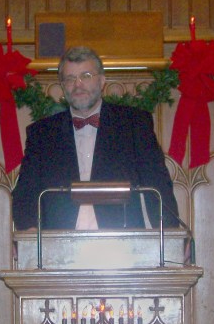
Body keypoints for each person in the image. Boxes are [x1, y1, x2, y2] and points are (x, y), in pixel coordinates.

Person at [12, 46, 179, 230]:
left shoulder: (134, 124)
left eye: (86, 76)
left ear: (102, 81)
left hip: (122, 245)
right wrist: (28, 236)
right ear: (62, 86)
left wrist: (170, 232)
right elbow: (26, 192)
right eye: (70, 79)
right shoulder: (42, 133)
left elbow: (157, 184)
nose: (78, 84)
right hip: (57, 245)